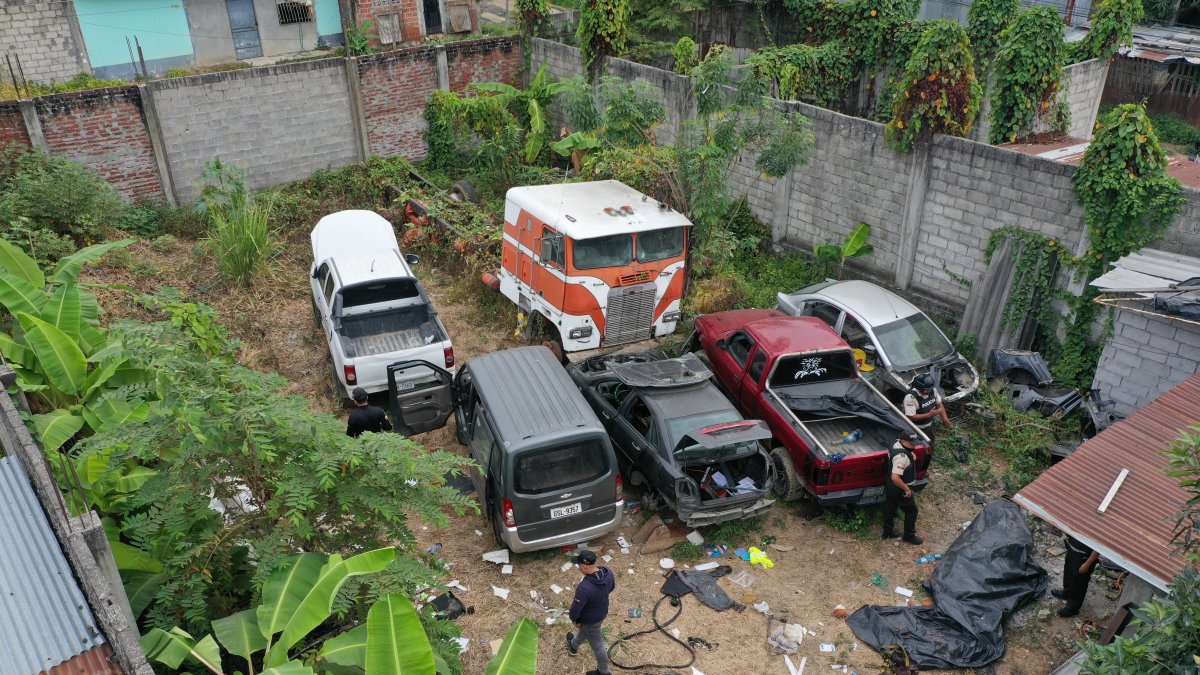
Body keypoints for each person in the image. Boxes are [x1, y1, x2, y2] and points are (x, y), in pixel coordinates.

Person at [566, 549, 616, 675]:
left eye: (578, 565)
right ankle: (573, 645)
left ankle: (603, 671)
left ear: (584, 566)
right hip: (602, 611)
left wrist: (575, 619)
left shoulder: (585, 587)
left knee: (598, 645)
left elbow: (575, 610)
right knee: (586, 631)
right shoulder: (607, 572)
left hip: (590, 619)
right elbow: (612, 587)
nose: (578, 568)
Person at [882, 434, 923, 545]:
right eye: (911, 444)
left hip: (890, 485)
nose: (914, 446)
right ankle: (909, 536)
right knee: (912, 511)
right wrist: (907, 490)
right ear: (904, 441)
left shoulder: (895, 443)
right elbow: (895, 477)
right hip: (900, 486)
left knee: (890, 507)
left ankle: (887, 532)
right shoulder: (901, 457)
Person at [1052, 536, 1100, 617]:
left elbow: (1099, 548)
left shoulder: (1100, 528)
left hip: (1084, 558)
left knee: (1079, 583)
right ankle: (1067, 593)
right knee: (1068, 574)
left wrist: (1087, 564)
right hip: (1072, 552)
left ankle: (1072, 608)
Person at [903, 373, 951, 440]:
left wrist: (945, 419)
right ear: (919, 388)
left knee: (931, 443)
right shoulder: (910, 398)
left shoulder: (932, 390)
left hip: (928, 425)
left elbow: (939, 404)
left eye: (930, 389)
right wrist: (929, 415)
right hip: (915, 428)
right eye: (926, 390)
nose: (929, 391)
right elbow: (911, 416)